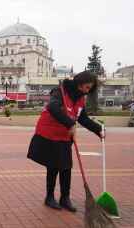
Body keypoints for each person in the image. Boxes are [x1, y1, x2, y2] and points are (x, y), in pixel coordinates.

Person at [27, 71, 105, 213]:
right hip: (49, 133)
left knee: (66, 167)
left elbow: (83, 118)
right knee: (53, 166)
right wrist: (70, 123)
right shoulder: (60, 92)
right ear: (80, 84)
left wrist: (98, 130)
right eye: (87, 87)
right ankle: (49, 197)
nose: (87, 91)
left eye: (90, 89)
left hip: (64, 136)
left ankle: (65, 198)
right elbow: (52, 107)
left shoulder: (81, 99)